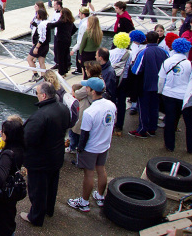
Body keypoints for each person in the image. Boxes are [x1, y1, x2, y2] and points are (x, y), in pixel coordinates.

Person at [21, 82, 70, 227]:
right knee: (52, 186)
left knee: (37, 190)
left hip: (40, 161)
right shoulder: (63, 108)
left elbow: (27, 139)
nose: (36, 96)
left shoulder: (40, 116)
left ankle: (35, 217)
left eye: (36, 93)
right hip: (57, 155)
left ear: (43, 95)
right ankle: (49, 209)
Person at [67, 77, 116, 212]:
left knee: (89, 174)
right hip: (105, 144)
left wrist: (80, 149)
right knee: (101, 169)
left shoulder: (90, 112)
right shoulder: (111, 105)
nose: (86, 89)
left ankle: (84, 202)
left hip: (91, 147)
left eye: (87, 87)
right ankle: (100, 196)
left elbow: (85, 134)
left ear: (92, 91)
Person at [158, 38, 192, 153]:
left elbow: (161, 81)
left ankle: (169, 145)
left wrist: (160, 92)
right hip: (185, 97)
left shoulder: (167, 62)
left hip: (169, 95)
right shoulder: (190, 64)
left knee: (170, 120)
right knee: (189, 122)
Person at [129, 31, 168, 138]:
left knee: (144, 108)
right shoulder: (164, 52)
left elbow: (135, 70)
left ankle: (142, 130)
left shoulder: (143, 52)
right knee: (155, 107)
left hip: (145, 84)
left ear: (146, 39)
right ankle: (152, 128)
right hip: (159, 85)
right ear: (158, 40)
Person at [109, 33, 132, 136]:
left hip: (112, 79)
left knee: (111, 101)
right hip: (124, 79)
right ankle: (119, 127)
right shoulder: (129, 53)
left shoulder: (111, 52)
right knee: (122, 103)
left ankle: (109, 123)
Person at [47, 7, 76, 76]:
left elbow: (52, 25)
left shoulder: (61, 21)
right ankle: (66, 69)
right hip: (68, 40)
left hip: (61, 40)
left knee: (60, 56)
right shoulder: (70, 21)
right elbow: (74, 29)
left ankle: (61, 72)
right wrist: (69, 34)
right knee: (66, 55)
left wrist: (46, 23)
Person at [27, 9, 49, 82]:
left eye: (37, 14)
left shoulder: (42, 24)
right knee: (41, 61)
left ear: (39, 15)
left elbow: (42, 37)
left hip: (40, 46)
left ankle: (35, 74)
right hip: (46, 45)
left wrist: (36, 47)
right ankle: (43, 77)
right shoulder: (47, 22)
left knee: (29, 59)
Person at [71, 7, 90, 75]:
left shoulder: (84, 25)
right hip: (88, 46)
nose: (79, 15)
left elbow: (80, 38)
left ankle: (81, 72)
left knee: (81, 61)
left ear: (83, 14)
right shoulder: (89, 22)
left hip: (82, 46)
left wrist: (74, 49)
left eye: (80, 14)